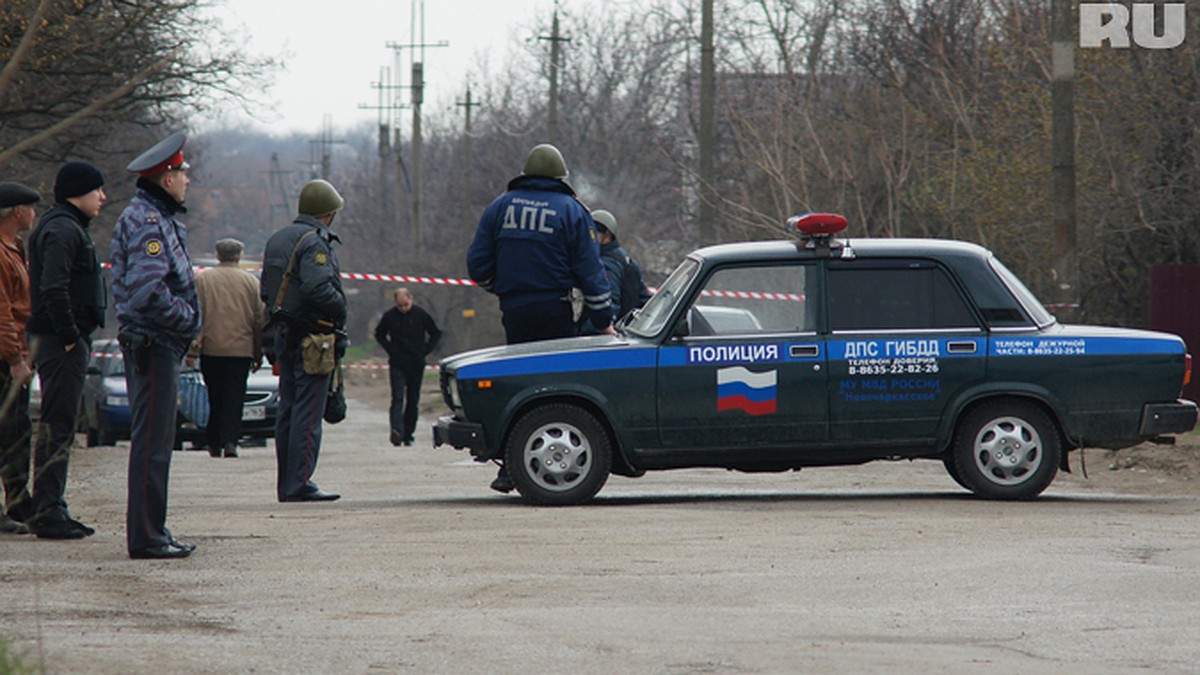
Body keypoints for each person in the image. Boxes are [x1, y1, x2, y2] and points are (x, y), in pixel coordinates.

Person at [466, 143, 614, 492]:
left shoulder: (499, 207)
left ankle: (508, 468)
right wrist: (603, 317)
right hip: (557, 310)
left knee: (518, 385)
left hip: (514, 310)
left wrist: (504, 289)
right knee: (554, 390)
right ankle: (543, 463)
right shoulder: (573, 211)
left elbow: (477, 267)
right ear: (560, 176)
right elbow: (591, 272)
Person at [110, 131, 202, 559]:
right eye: (183, 173)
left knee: (159, 442)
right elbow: (148, 290)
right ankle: (147, 537)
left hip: (159, 342)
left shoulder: (156, 216)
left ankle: (155, 530)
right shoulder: (148, 221)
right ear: (166, 178)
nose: (188, 179)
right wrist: (186, 320)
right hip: (154, 342)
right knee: (151, 444)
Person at [25, 162, 108, 539]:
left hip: (63, 340)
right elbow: (54, 288)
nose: (103, 197)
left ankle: (52, 504)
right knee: (58, 426)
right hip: (61, 343)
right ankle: (47, 510)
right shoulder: (61, 229)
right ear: (79, 191)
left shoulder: (67, 226)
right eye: (97, 190)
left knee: (61, 425)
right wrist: (71, 334)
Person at [260, 179, 347, 503]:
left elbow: (266, 291)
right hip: (312, 337)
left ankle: (287, 482)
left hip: (283, 335)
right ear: (328, 213)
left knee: (289, 409)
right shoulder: (314, 242)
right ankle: (300, 482)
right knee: (309, 413)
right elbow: (317, 288)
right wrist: (342, 309)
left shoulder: (277, 239)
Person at [192, 238, 263, 459]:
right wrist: (258, 352)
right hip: (240, 351)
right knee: (235, 398)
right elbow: (259, 319)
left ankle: (213, 442)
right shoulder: (251, 282)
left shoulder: (204, 280)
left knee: (215, 397)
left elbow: (196, 315)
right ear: (239, 256)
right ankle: (231, 441)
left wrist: (193, 348)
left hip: (211, 349)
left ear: (217, 255)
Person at [0, 182, 40, 535]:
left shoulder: (15, 248)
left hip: (15, 351)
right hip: (4, 356)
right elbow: (2, 312)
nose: (33, 214)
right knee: (6, 430)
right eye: (30, 207)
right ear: (16, 212)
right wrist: (15, 358)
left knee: (17, 430)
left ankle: (17, 500)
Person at [374, 287, 441, 447]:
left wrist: (425, 351)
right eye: (400, 306)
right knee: (397, 397)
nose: (403, 308)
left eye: (406, 305)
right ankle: (397, 431)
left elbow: (436, 333)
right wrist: (391, 350)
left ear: (411, 299)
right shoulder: (390, 316)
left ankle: (408, 434)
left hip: (416, 362)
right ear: (396, 304)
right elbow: (379, 334)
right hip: (397, 362)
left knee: (413, 399)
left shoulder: (421, 314)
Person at [590, 209, 651, 325]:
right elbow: (645, 299)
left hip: (609, 335)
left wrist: (595, 327)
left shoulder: (607, 263)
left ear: (607, 235)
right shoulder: (624, 258)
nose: (590, 237)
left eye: (595, 233)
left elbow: (610, 303)